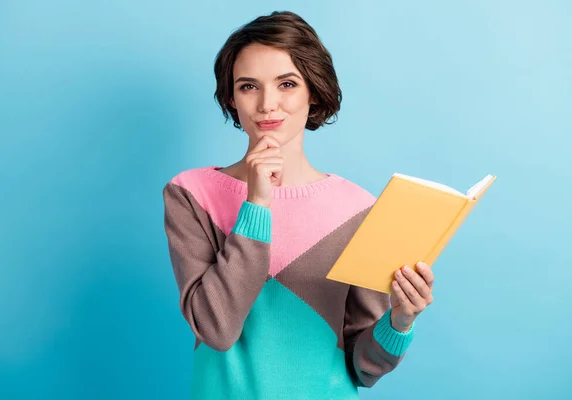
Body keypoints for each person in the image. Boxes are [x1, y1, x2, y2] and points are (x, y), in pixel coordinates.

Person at [162, 10, 434, 399]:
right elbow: (216, 329)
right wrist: (257, 202)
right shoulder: (190, 195)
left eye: (287, 83)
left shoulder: (357, 209)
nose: (267, 104)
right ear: (231, 97)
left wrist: (401, 320)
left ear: (314, 92)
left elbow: (364, 367)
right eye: (248, 86)